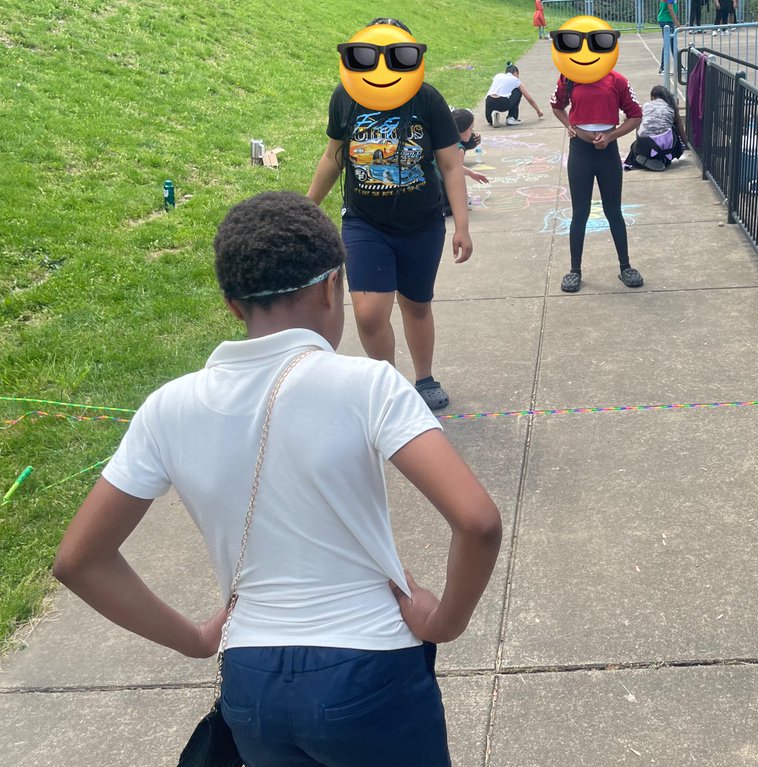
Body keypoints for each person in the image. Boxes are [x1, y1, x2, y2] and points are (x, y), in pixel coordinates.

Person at [53, 191, 503, 764]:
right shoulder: (369, 385)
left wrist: (196, 639)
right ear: (331, 286)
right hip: (370, 669)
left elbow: (78, 561)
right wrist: (443, 622)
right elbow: (478, 521)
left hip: (251, 682)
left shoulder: (166, 408)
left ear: (232, 306)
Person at [307, 17, 471, 412]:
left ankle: (424, 378)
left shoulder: (426, 99)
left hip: (422, 223)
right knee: (368, 315)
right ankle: (391, 388)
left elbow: (451, 165)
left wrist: (462, 226)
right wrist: (307, 207)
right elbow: (333, 157)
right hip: (365, 223)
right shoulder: (346, 96)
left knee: (416, 305)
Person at [550, 64, 644, 292]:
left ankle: (625, 266)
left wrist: (611, 136)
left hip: (607, 153)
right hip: (580, 151)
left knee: (613, 211)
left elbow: (635, 115)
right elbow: (556, 105)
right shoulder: (569, 77)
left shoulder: (616, 79)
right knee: (580, 213)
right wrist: (568, 125)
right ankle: (575, 270)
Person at [623, 85, 686, 171]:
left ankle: (644, 158)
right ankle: (663, 160)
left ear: (653, 97)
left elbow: (638, 127)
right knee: (672, 128)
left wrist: (639, 144)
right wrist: (684, 144)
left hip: (645, 144)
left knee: (634, 146)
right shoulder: (672, 107)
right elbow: (680, 129)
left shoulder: (646, 105)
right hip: (664, 147)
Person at [485, 63, 545, 128]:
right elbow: (529, 99)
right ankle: (512, 117)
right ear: (516, 73)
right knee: (518, 90)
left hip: (489, 101)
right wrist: (538, 111)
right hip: (503, 103)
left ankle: (493, 117)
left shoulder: (498, 76)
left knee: (490, 121)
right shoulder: (516, 80)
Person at [658, 0, 681, 74]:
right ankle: (663, 67)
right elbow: (670, 8)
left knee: (672, 44)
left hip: (666, 20)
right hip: (667, 20)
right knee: (668, 44)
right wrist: (676, 22)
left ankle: (678, 65)